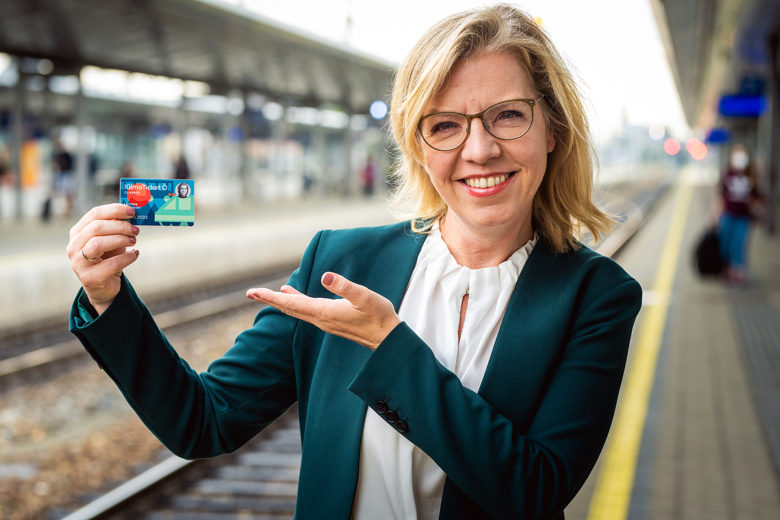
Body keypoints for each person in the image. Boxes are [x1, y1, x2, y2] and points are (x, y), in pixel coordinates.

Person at [66, 5, 641, 518]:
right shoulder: (341, 261)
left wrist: (391, 348)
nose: (480, 149)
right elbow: (205, 421)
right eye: (445, 125)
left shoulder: (596, 295)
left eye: (508, 116)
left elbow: (534, 492)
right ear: (418, 148)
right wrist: (107, 299)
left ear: (553, 129)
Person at [717, 143, 763, 286]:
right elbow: (720, 196)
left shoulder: (751, 176)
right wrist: (714, 216)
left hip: (743, 217)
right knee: (725, 244)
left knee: (739, 243)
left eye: (742, 155)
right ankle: (726, 267)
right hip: (728, 215)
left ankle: (738, 271)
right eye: (737, 154)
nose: (739, 158)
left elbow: (758, 196)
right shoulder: (727, 174)